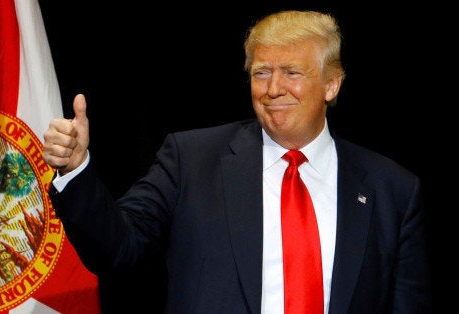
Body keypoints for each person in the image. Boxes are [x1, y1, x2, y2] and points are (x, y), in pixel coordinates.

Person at [42, 10, 432, 314]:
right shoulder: (192, 160)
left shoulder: (390, 190)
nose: (273, 89)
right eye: (261, 73)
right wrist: (75, 170)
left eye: (291, 73)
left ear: (332, 84)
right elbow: (117, 248)